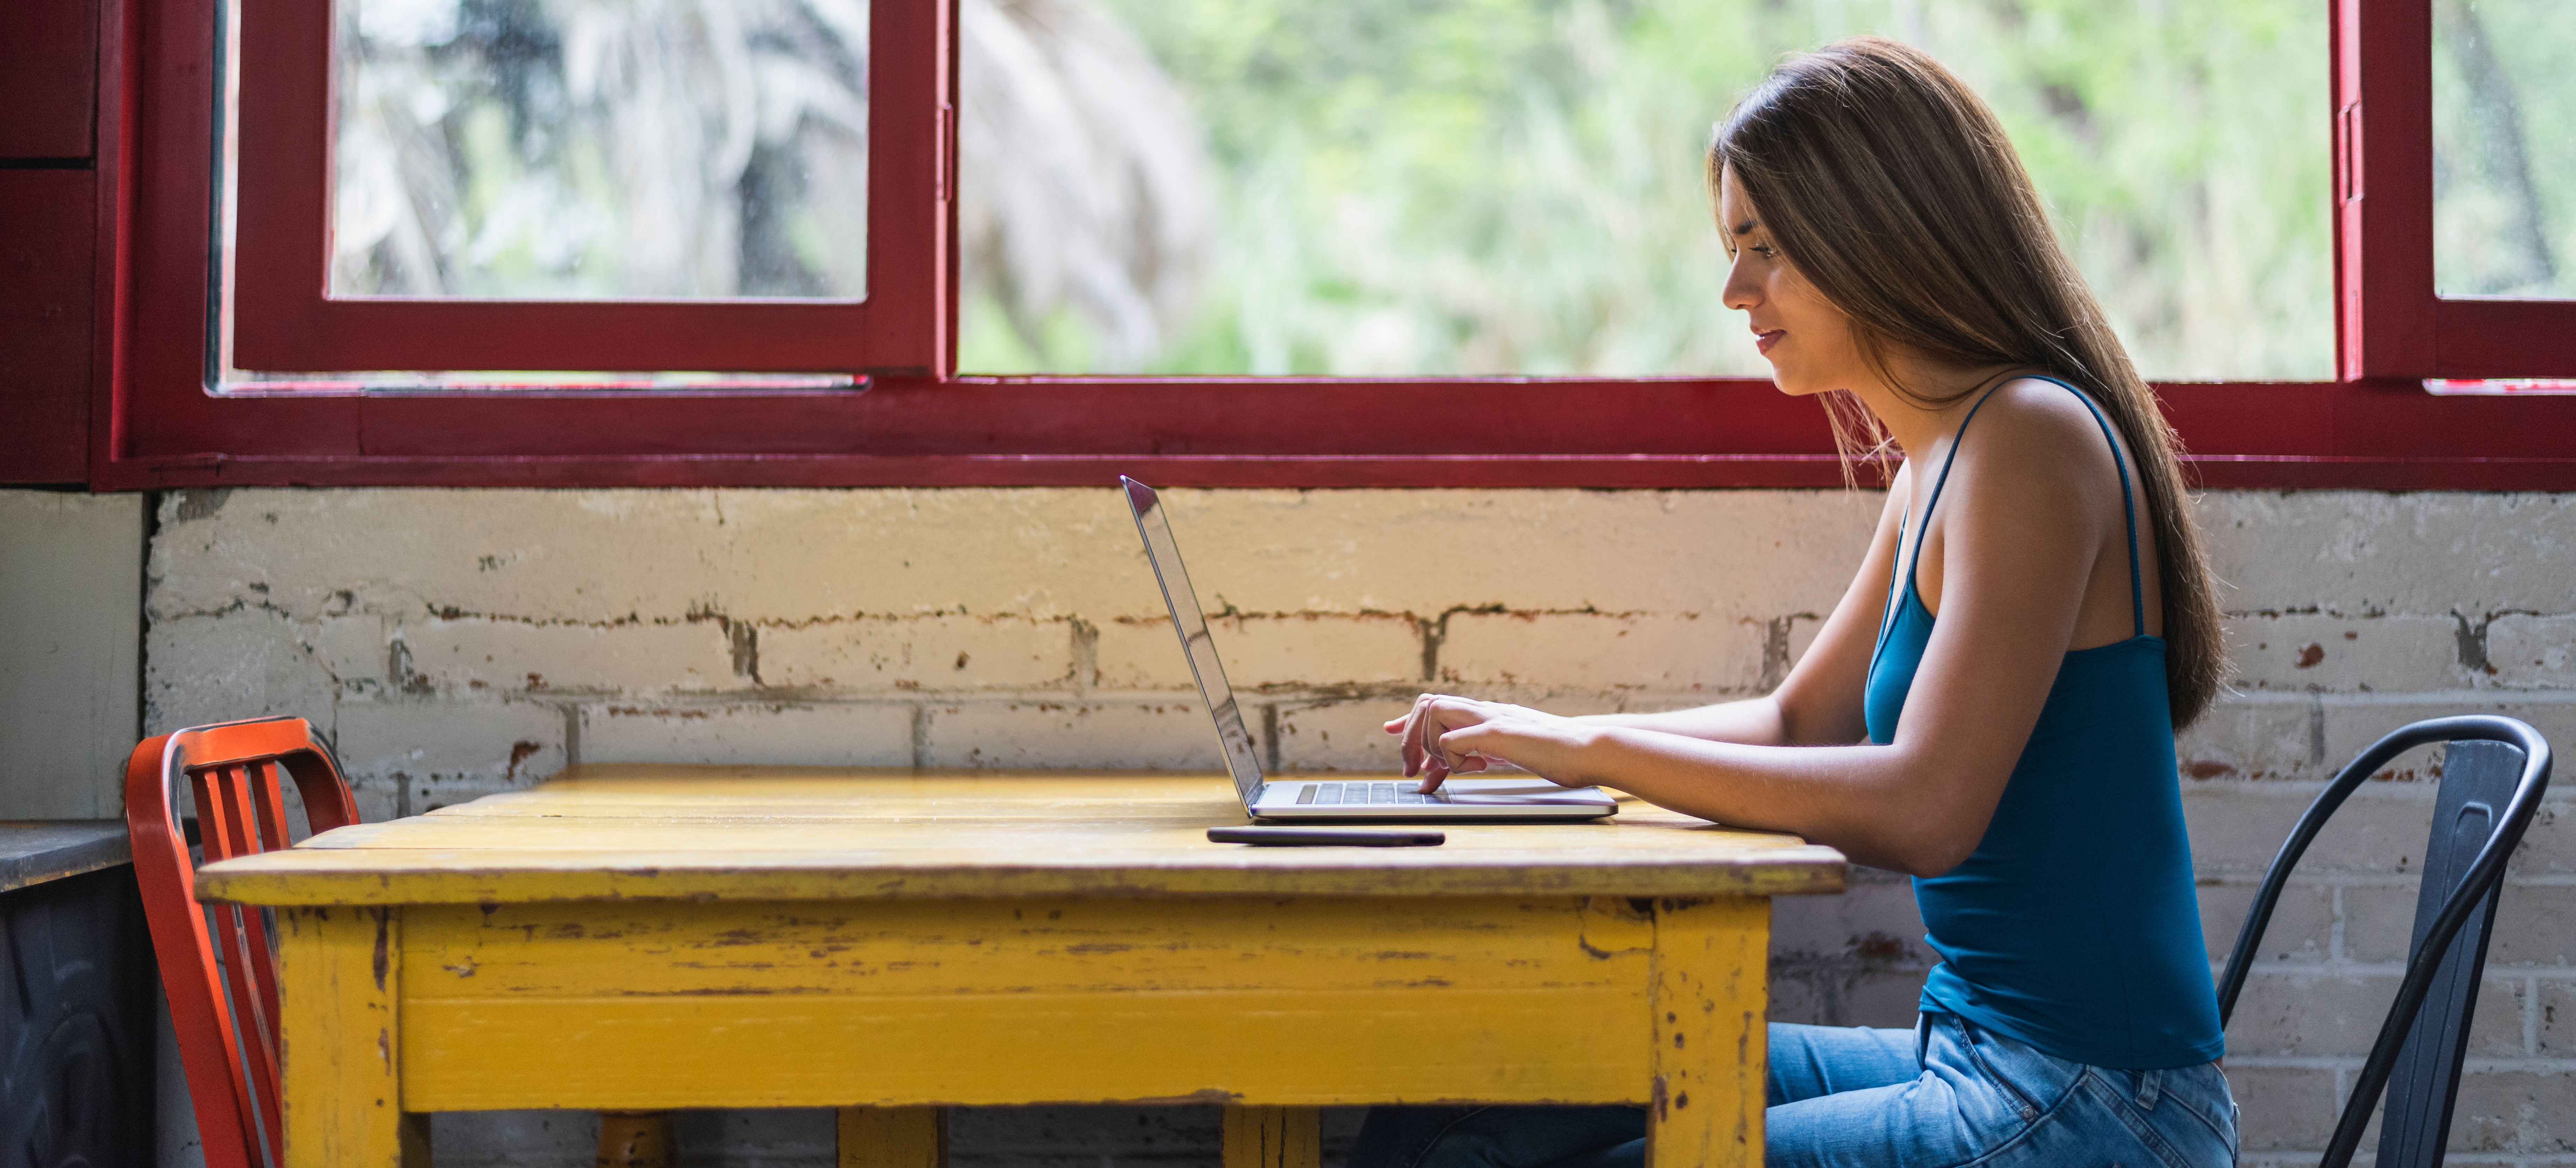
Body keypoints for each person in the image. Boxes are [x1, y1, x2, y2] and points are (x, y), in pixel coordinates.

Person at [1355, 36, 2239, 1168]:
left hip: (2093, 1107)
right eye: (1736, 248)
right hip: (1968, 1055)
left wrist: (1601, 751)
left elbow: (1926, 806)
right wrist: (1537, 742)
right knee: (1470, 1098)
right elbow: (1795, 723)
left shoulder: (2030, 440)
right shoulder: (1939, 458)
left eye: (1765, 248)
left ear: (1878, 232)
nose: (1736, 292)